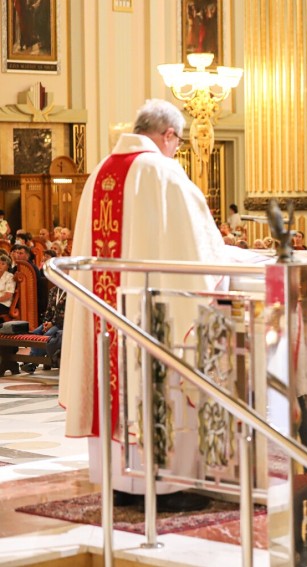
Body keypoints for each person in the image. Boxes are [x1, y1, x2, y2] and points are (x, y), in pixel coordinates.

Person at [59, 99, 255, 511]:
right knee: (156, 379)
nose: (177, 149)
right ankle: (165, 486)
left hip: (106, 314)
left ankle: (119, 482)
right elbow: (199, 249)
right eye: (178, 142)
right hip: (150, 317)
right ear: (168, 135)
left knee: (112, 381)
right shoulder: (163, 171)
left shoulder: (99, 174)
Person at [21, 285, 67, 373]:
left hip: (62, 324)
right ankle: (33, 361)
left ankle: (32, 363)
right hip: (51, 323)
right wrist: (45, 323)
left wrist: (52, 323)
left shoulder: (70, 291)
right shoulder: (53, 290)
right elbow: (49, 310)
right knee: (35, 333)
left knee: (47, 336)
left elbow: (66, 314)